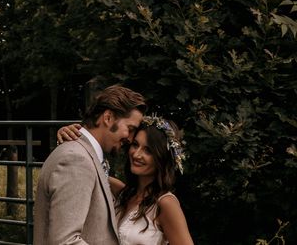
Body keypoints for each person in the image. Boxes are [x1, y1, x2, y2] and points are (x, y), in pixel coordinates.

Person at [34, 84, 146, 245]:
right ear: (107, 118)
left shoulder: (84, 155)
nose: (130, 139)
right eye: (130, 128)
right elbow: (65, 241)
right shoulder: (76, 160)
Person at [57, 114, 195, 245]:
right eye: (135, 145)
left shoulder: (166, 204)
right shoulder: (123, 193)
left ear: (161, 158)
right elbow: (85, 167)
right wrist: (73, 136)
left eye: (148, 151)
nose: (136, 154)